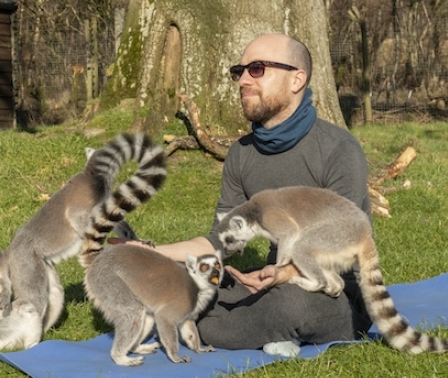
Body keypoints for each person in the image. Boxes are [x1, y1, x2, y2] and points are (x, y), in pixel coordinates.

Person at [148, 33, 373, 355]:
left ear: (297, 79)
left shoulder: (338, 149)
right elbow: (221, 240)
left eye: (257, 69)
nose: (242, 80)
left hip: (328, 288)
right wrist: (152, 251)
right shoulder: (241, 154)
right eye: (238, 71)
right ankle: (259, 328)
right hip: (268, 281)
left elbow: (344, 246)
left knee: (290, 306)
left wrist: (286, 275)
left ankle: (240, 325)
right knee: (179, 280)